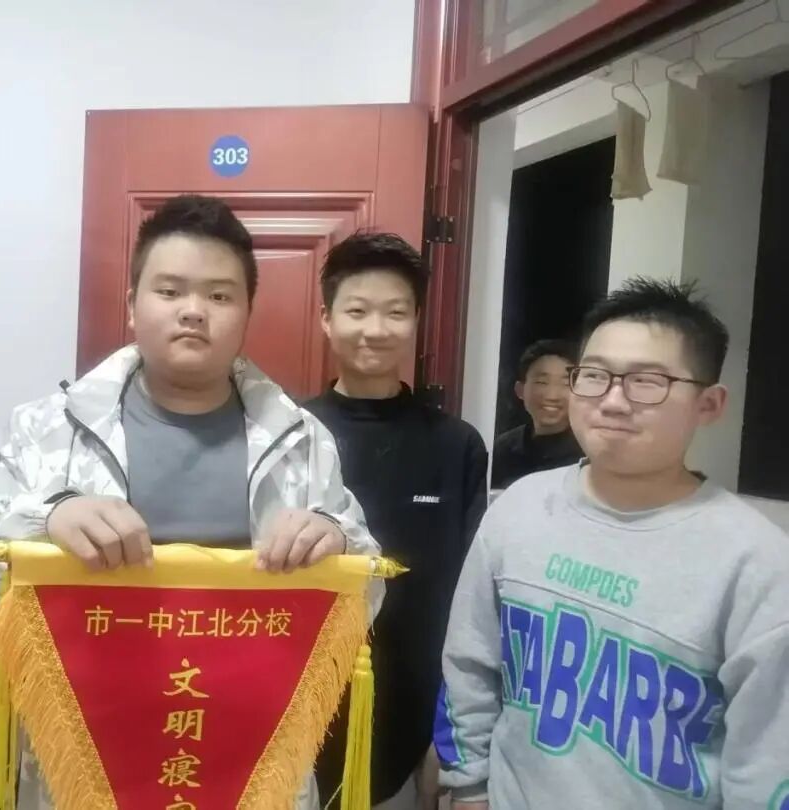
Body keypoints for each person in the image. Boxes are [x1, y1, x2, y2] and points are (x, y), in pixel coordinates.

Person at [0, 194, 381, 810]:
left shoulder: (301, 442)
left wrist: (335, 541)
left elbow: (368, 591)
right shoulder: (48, 430)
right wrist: (44, 521)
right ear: (132, 305)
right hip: (83, 775)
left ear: (247, 312)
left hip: (250, 772)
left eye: (219, 295)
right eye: (170, 291)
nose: (193, 311)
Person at [435, 278, 789, 810]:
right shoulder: (518, 507)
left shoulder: (758, 563)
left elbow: (767, 761)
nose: (613, 401)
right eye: (594, 376)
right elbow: (469, 664)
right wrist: (467, 789)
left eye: (647, 382)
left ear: (709, 404)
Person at [302, 232, 487, 810]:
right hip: (294, 713)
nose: (376, 329)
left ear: (416, 322)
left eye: (396, 312)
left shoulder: (456, 444)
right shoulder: (288, 436)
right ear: (327, 318)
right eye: (357, 311)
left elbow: (471, 603)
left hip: (411, 720)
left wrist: (447, 734)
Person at [491, 339, 583, 489]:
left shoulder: (587, 452)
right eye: (542, 382)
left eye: (566, 384)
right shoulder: (503, 449)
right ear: (520, 390)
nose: (552, 396)